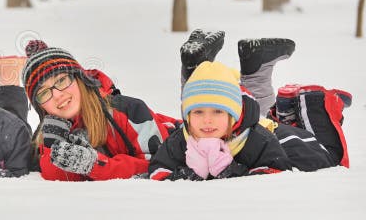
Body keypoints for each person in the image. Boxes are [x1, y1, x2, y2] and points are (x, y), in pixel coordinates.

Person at [148, 59, 350, 181]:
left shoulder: (256, 139)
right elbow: (158, 169)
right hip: (273, 134)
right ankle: (286, 109)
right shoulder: (182, 138)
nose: (207, 121)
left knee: (326, 160)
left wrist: (230, 171)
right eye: (198, 112)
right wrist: (186, 175)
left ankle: (314, 103)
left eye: (218, 112)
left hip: (284, 139)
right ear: (187, 115)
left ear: (233, 115)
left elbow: (275, 170)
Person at [22, 40, 177, 181]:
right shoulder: (44, 138)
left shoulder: (129, 111)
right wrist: (53, 151)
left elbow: (159, 167)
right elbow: (63, 188)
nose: (57, 95)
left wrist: (95, 165)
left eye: (61, 80)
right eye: (43, 93)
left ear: (79, 79)